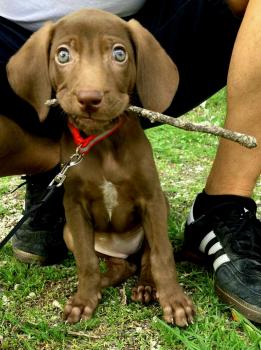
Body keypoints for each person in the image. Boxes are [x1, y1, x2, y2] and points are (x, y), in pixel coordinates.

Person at [0, 0, 260, 323]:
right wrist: (87, 284)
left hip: (158, 22)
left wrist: (164, 280)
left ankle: (222, 206)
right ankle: (49, 171)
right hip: (8, 35)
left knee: (155, 202)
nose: (90, 90)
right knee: (74, 217)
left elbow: (152, 202)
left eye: (118, 54)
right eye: (65, 55)